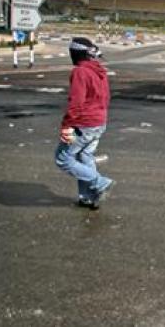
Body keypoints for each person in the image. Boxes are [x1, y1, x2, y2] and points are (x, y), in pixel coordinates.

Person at [54, 37, 114, 209]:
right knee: (84, 156)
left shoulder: (80, 71)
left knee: (63, 159)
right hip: (99, 122)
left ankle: (100, 182)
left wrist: (67, 126)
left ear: (75, 54)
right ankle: (88, 197)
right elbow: (106, 97)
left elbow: (76, 102)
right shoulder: (99, 71)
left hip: (83, 123)